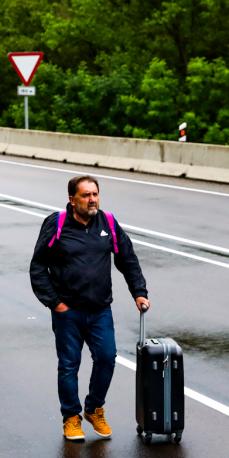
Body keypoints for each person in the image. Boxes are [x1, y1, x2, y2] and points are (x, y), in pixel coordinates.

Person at [30, 175, 150, 442]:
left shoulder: (108, 222)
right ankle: (71, 417)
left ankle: (94, 408)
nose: (92, 199)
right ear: (72, 200)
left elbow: (127, 259)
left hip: (100, 310)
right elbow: (38, 266)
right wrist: (55, 303)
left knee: (107, 358)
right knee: (69, 365)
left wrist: (139, 292)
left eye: (95, 194)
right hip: (68, 311)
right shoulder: (57, 224)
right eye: (86, 195)